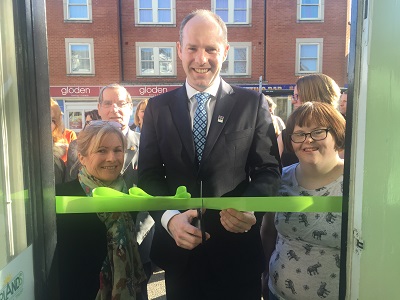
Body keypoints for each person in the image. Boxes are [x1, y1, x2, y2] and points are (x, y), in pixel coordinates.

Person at [138, 9, 281, 300]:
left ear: (225, 51)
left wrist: (250, 208)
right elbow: (148, 175)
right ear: (179, 50)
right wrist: (168, 219)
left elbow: (268, 170)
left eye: (210, 49)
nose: (201, 59)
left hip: (237, 254)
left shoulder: (252, 104)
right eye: (192, 47)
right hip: (180, 255)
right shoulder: (157, 108)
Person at [261, 102, 345, 300]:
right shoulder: (280, 178)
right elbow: (268, 232)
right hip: (277, 294)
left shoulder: (356, 183)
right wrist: (264, 274)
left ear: (337, 135)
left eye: (318, 132)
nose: (308, 140)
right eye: (299, 134)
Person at [55, 121, 146, 299]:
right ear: (82, 157)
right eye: (102, 150)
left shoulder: (132, 195)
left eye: (118, 150)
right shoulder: (61, 197)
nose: (112, 158)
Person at [97, 83, 154, 300]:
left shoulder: (147, 144)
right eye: (108, 103)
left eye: (121, 103)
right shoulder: (81, 147)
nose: (115, 109)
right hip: (96, 242)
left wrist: (135, 237)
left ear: (130, 108)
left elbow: (153, 191)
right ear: (99, 107)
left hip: (137, 244)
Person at [279, 74, 341, 167]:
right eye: (299, 135)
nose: (293, 101)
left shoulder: (344, 132)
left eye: (297, 96)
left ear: (312, 97)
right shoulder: (285, 135)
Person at [65, 109, 101, 182]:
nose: (88, 125)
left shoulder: (109, 144)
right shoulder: (76, 144)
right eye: (87, 122)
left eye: (91, 122)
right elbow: (71, 174)